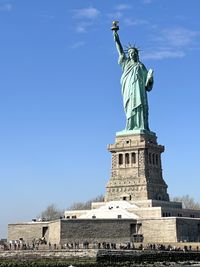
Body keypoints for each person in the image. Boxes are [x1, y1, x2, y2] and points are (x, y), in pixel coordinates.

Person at [113, 28, 153, 132]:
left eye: (134, 53)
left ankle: (141, 126)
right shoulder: (125, 63)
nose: (132, 54)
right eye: (130, 53)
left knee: (140, 107)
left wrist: (150, 78)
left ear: (137, 54)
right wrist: (116, 36)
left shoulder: (141, 66)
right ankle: (130, 126)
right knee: (130, 107)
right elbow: (120, 51)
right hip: (128, 89)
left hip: (139, 90)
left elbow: (147, 86)